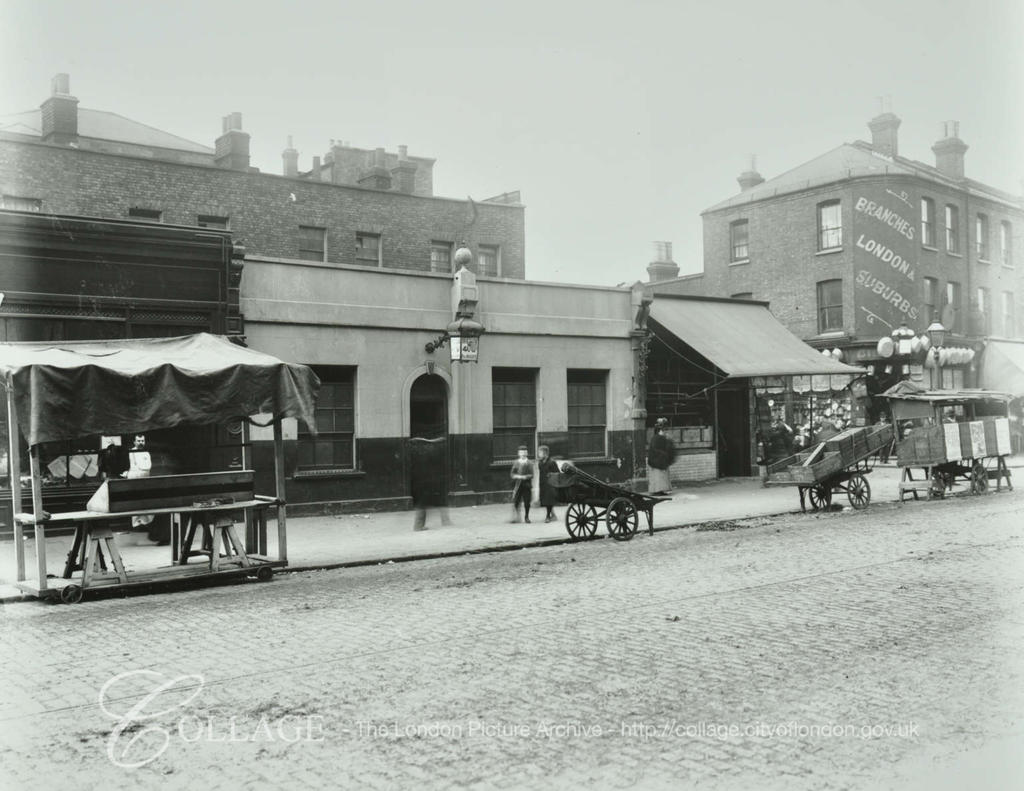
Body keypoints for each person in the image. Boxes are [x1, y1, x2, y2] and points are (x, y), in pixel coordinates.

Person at [647, 418, 676, 496]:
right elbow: (658, 449)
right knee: (659, 476)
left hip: (657, 460)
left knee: (659, 477)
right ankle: (658, 490)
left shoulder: (657, 438)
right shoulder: (658, 438)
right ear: (660, 430)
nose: (664, 432)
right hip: (658, 461)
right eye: (663, 430)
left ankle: (659, 490)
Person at [535, 445, 559, 523]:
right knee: (545, 501)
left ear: (545, 454)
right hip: (543, 484)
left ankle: (548, 516)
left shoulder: (552, 462)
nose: (539, 454)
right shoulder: (540, 463)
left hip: (550, 484)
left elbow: (557, 473)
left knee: (548, 500)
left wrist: (551, 474)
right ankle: (554, 515)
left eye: (540, 453)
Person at [510, 445, 534, 523]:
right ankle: (517, 517)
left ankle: (526, 517)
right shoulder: (516, 462)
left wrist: (525, 477)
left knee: (527, 502)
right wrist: (517, 476)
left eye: (525, 452)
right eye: (521, 452)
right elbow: (512, 474)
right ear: (518, 453)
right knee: (516, 501)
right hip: (518, 485)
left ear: (527, 453)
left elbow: (532, 474)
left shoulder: (529, 463)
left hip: (526, 485)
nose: (523, 454)